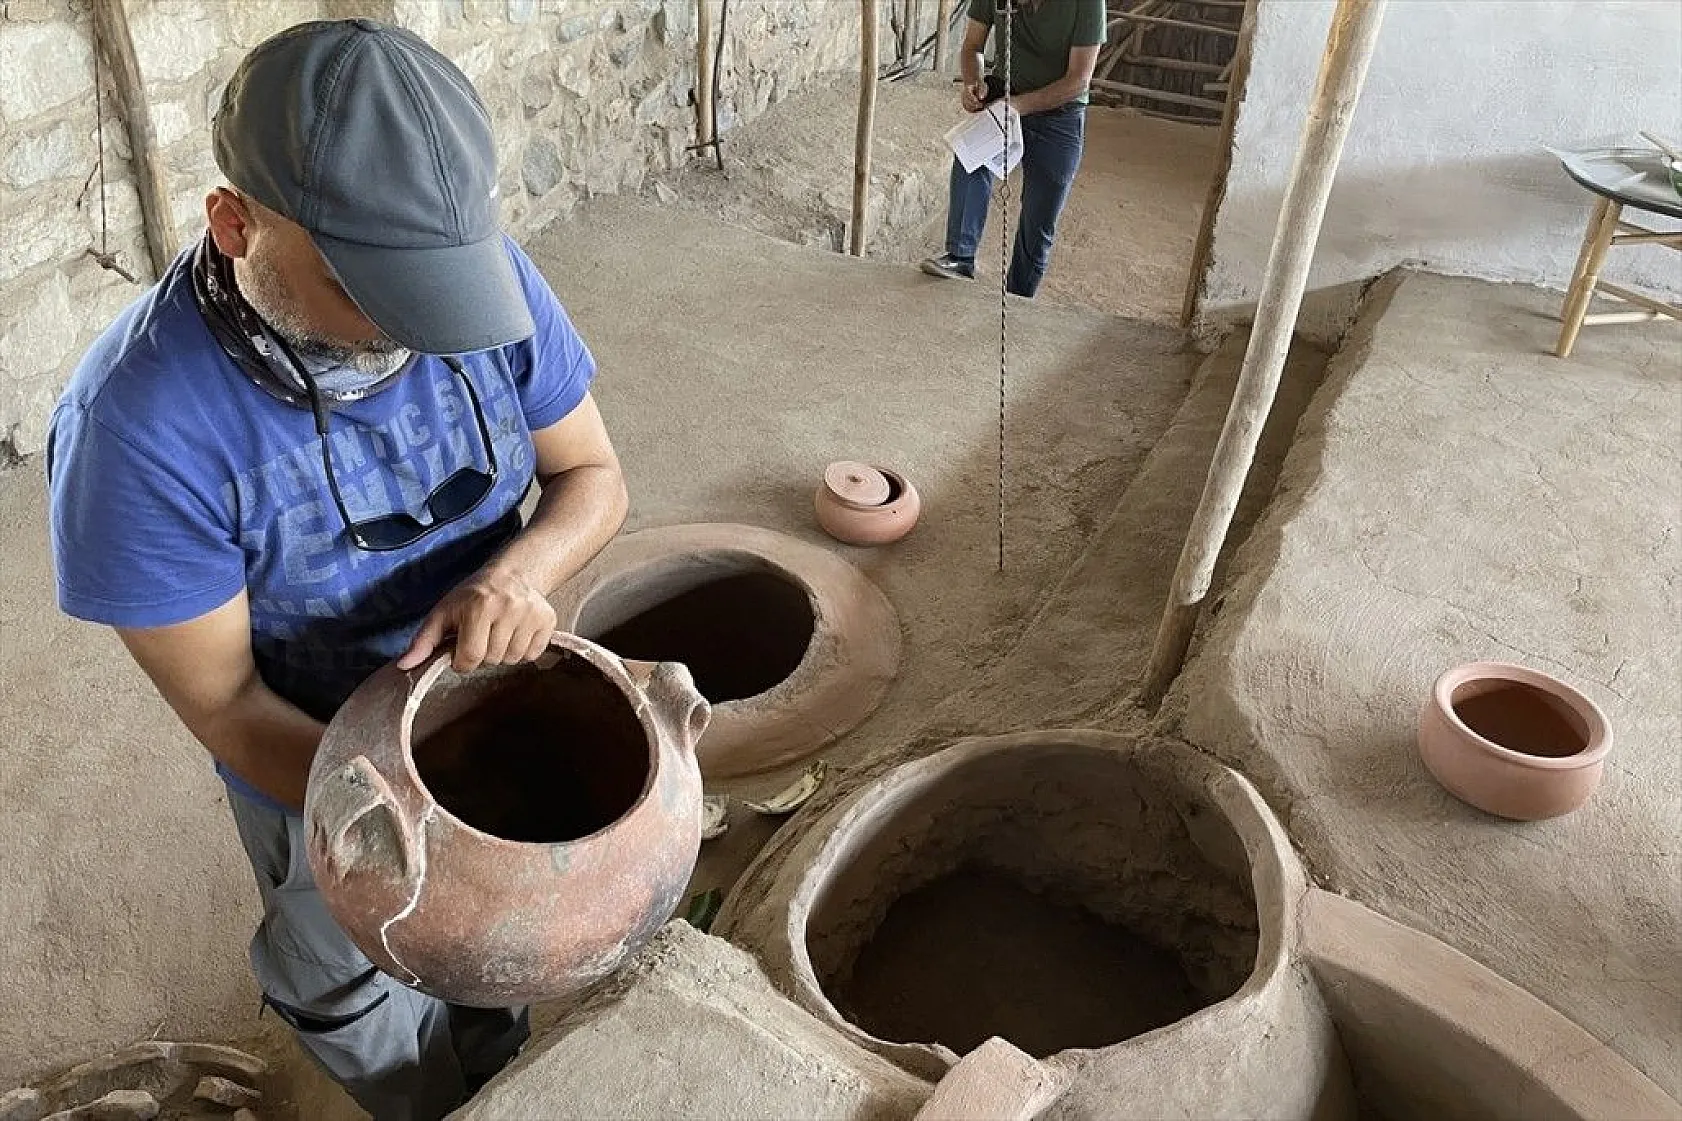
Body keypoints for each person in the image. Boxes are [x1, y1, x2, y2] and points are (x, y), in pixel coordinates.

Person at [45, 19, 628, 1121]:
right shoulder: (137, 429)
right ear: (234, 223)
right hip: (314, 755)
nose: (418, 333)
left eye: (439, 288)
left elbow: (592, 474)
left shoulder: (480, 283)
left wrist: (520, 575)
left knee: (487, 972)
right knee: (358, 983)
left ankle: (488, 1053)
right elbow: (225, 702)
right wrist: (416, 818)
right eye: (370, 286)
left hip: (494, 699)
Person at [921, 0, 1106, 297]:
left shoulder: (1087, 4)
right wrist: (972, 84)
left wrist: (1018, 107)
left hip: (1061, 113)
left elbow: (1079, 80)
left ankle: (1019, 296)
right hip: (1007, 92)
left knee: (1040, 217)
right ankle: (960, 257)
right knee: (971, 155)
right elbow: (972, 47)